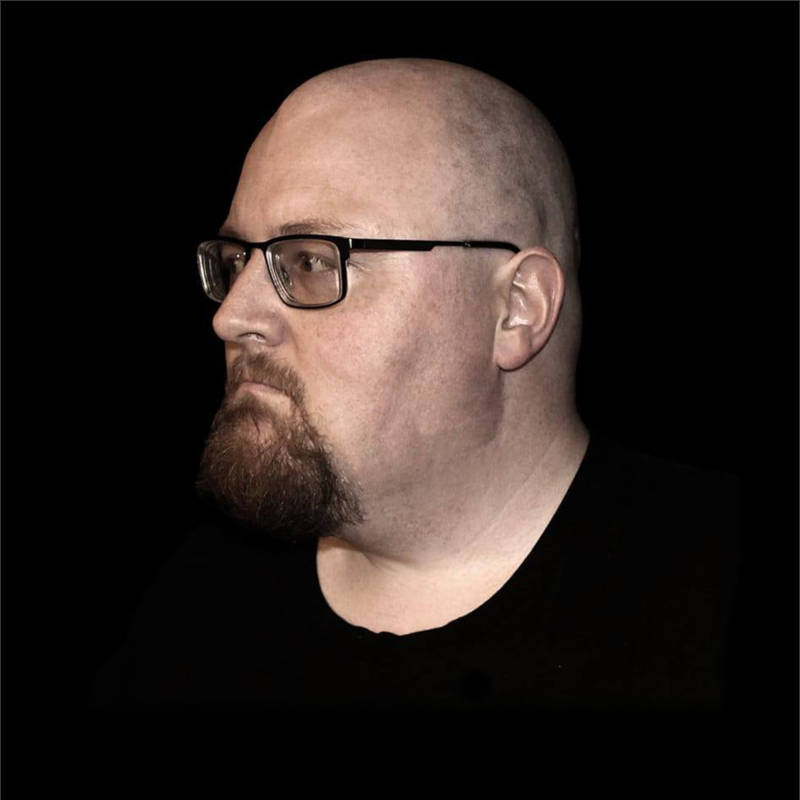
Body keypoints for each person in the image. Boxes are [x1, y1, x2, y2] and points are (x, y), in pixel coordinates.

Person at [91, 58, 741, 710]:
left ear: (516, 309)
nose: (231, 316)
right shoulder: (203, 602)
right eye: (238, 260)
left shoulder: (715, 597)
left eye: (312, 260)